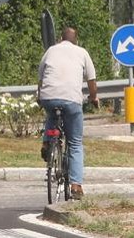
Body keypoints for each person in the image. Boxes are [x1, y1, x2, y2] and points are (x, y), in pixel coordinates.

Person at [37, 27, 98, 199]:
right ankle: (76, 186)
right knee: (76, 142)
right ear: (75, 40)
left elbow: (41, 78)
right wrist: (94, 98)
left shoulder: (50, 51)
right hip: (72, 101)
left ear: (60, 38)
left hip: (49, 97)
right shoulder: (82, 52)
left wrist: (40, 96)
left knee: (51, 114)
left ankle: (47, 143)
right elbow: (91, 80)